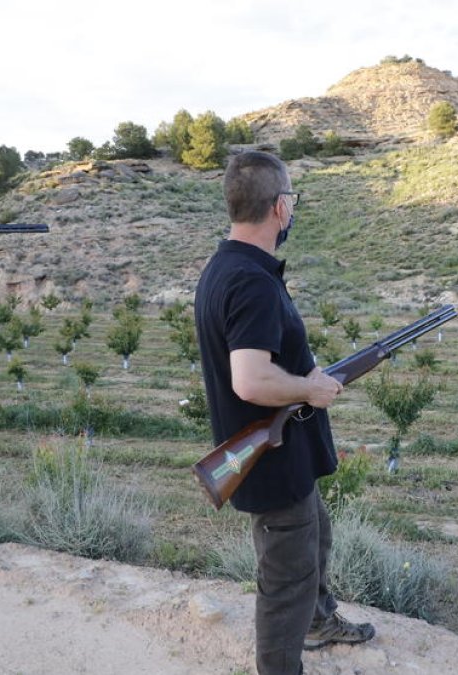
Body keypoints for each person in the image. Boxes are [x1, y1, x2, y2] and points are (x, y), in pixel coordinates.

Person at [194, 151, 375, 675]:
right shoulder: (251, 281)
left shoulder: (230, 266)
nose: (292, 211)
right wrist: (310, 388)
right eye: (291, 202)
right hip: (270, 459)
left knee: (314, 534)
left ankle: (318, 623)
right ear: (280, 207)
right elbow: (250, 378)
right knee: (285, 581)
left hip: (282, 453)